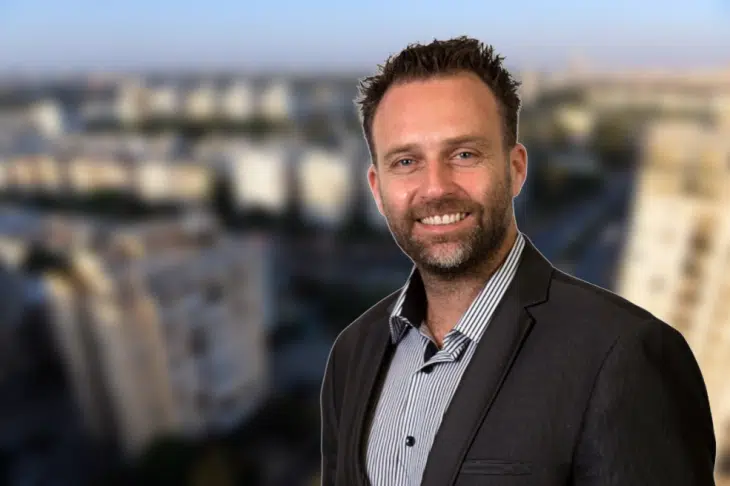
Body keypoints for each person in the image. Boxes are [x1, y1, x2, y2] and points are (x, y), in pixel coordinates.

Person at [319, 36, 716, 486]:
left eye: (464, 154)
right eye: (406, 161)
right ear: (377, 188)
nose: (435, 187)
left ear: (516, 169)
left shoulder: (625, 355)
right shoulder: (352, 354)